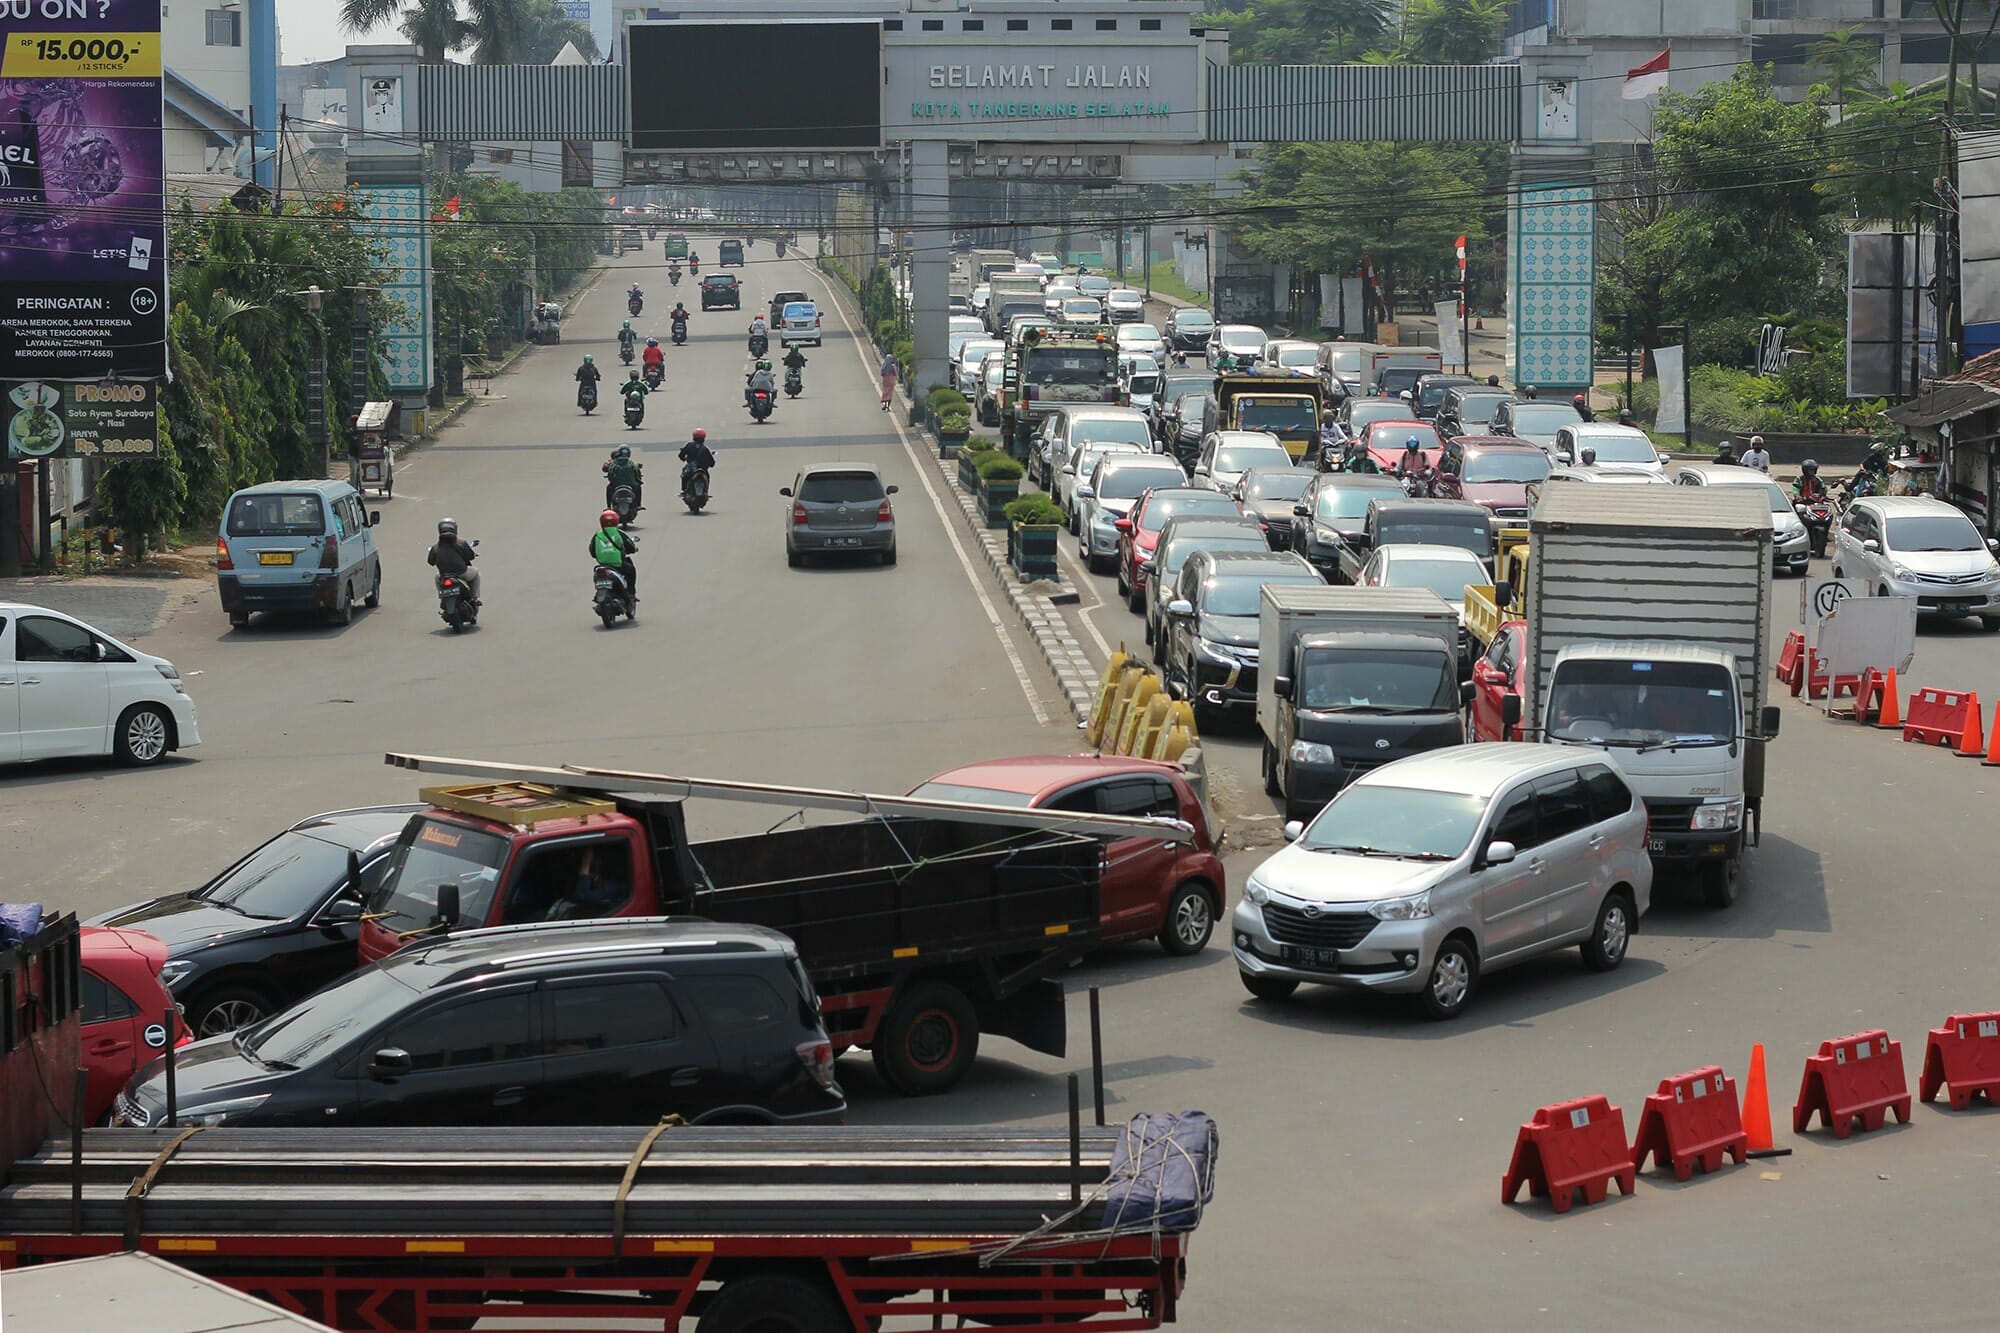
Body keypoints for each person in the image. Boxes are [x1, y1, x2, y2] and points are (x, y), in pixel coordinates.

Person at [426, 518, 480, 605]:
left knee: (436, 577)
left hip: (444, 576)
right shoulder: (461, 542)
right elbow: (470, 556)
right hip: (462, 573)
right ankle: (474, 598)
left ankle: (443, 597)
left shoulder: (435, 547)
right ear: (455, 529)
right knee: (476, 572)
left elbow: (430, 562)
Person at [589, 508, 637, 600]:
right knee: (631, 570)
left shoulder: (597, 535)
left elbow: (592, 552)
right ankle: (631, 594)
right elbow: (630, 546)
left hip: (603, 565)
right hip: (618, 564)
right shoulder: (619, 533)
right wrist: (633, 549)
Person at [603, 443, 642, 511]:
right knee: (638, 486)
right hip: (631, 485)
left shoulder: (613, 463)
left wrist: (612, 480)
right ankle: (638, 505)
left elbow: (610, 475)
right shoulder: (631, 463)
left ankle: (609, 507)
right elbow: (637, 473)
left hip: (616, 485)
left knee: (609, 488)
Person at [679, 426, 717, 496]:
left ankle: (683, 490)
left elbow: (681, 455)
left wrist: (684, 459)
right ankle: (706, 491)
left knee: (684, 475)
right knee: (707, 476)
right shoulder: (705, 449)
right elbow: (712, 463)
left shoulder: (689, 445)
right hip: (703, 470)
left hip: (691, 469)